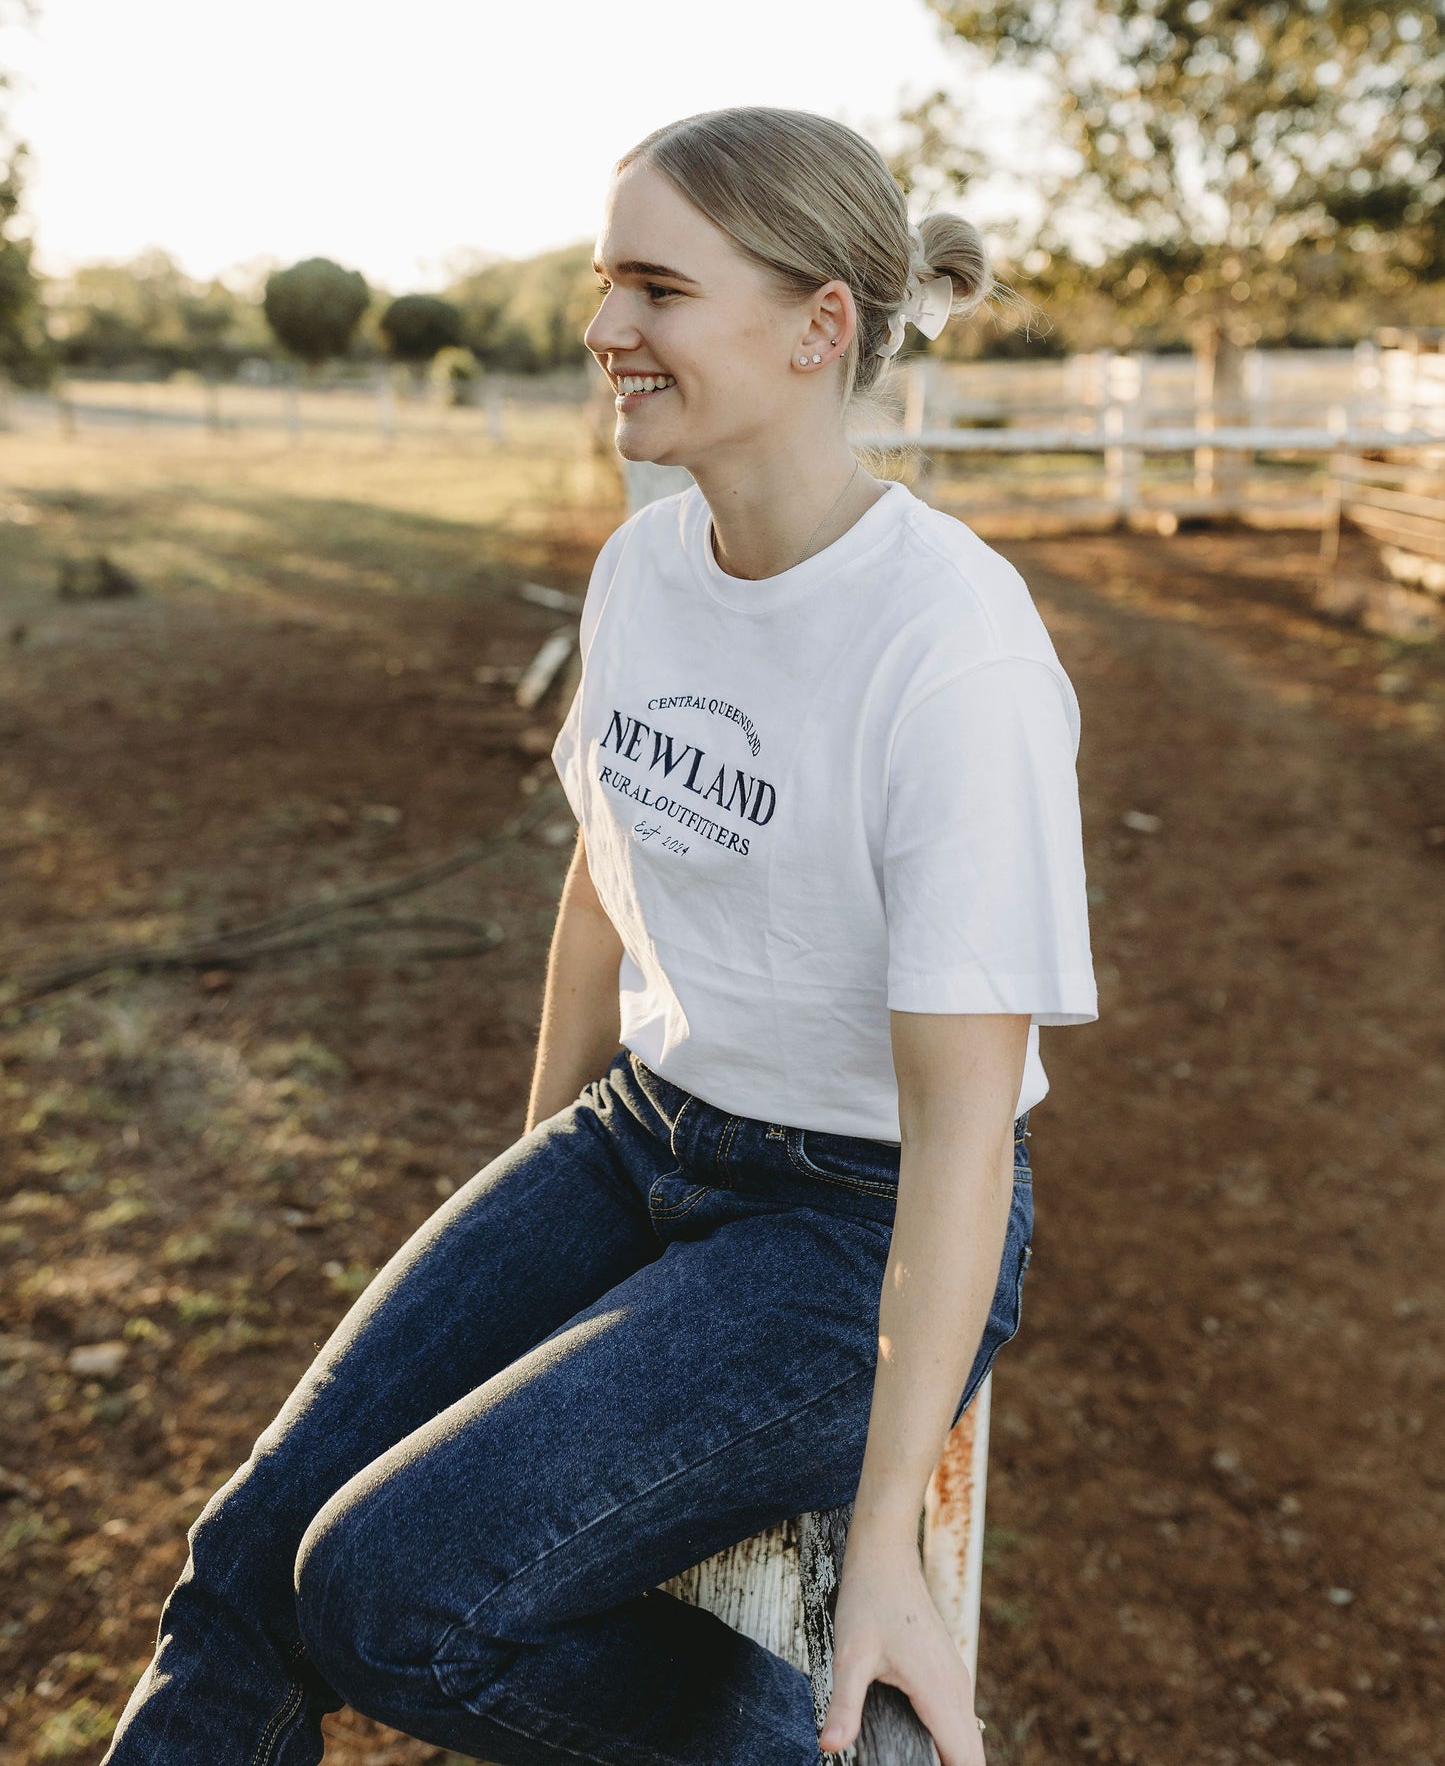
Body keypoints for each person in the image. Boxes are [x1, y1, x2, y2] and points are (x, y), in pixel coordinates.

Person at [104, 107, 1097, 1766]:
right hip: (636, 1137)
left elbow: (960, 1124)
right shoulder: (644, 567)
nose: (601, 331)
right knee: (243, 1560)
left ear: (817, 327)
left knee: (383, 1594)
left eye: (653, 287)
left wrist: (882, 1542)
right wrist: (530, 1207)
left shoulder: (954, 651)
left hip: (847, 1222)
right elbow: (603, 874)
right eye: (601, 282)